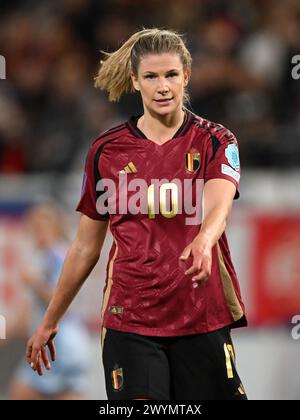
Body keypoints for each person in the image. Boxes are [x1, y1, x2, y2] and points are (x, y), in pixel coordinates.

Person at [26, 28, 248, 400]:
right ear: (135, 81)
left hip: (200, 314)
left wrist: (204, 240)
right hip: (129, 319)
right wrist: (50, 320)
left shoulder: (215, 141)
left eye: (171, 75)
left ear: (186, 76)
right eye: (151, 76)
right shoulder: (106, 151)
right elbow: (84, 247)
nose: (163, 86)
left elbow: (219, 204)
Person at [11, 203, 90, 400]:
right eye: (34, 228)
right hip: (42, 349)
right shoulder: (39, 259)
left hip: (64, 350)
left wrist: (35, 283)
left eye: (43, 227)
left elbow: (65, 304)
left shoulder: (61, 256)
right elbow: (25, 315)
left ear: (55, 228)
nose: (38, 233)